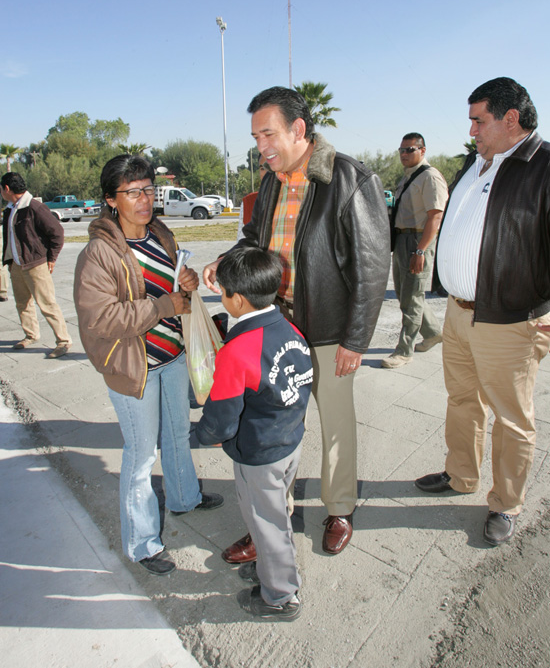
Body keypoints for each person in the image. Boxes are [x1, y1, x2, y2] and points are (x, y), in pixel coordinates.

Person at [204, 86, 390, 557]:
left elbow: (371, 268)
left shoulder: (349, 179)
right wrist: (227, 261)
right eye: (255, 135)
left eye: (268, 134)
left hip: (328, 330)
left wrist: (356, 339)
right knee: (271, 429)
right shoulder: (270, 181)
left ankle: (340, 508)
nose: (260, 145)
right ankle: (272, 518)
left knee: (335, 425)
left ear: (298, 130)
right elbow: (252, 237)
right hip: (274, 325)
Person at [415, 77, 550, 546]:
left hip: (510, 318)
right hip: (458, 311)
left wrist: (544, 315)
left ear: (510, 119)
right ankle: (460, 475)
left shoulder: (544, 166)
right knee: (462, 399)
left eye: (479, 120)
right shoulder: (475, 165)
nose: (471, 129)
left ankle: (506, 502)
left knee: (513, 417)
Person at [74, 155, 223, 576]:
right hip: (133, 370)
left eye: (148, 190)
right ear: (111, 200)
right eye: (133, 192)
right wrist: (162, 306)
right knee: (141, 455)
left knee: (177, 434)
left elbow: (172, 282)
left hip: (173, 357)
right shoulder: (98, 255)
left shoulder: (160, 234)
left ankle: (184, 498)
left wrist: (187, 281)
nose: (145, 199)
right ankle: (142, 544)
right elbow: (100, 320)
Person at [196, 247, 313, 621]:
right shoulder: (291, 329)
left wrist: (198, 435)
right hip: (288, 440)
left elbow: (221, 421)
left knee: (267, 521)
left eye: (223, 290)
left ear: (239, 299)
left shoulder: (237, 350)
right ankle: (271, 570)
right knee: (274, 514)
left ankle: (280, 596)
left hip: (259, 453)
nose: (220, 295)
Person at [382, 133, 448, 368]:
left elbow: (435, 217)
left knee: (412, 298)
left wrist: (420, 251)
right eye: (401, 150)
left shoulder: (430, 177)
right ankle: (432, 333)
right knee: (407, 295)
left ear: (423, 150)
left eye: (409, 149)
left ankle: (404, 350)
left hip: (418, 240)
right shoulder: (408, 178)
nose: (404, 154)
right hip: (403, 239)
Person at [1, 172, 71, 357]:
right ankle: (31, 335)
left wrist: (52, 258)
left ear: (7, 188)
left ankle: (63, 341)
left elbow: (57, 233)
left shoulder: (34, 207)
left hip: (35, 265)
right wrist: (8, 260)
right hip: (17, 265)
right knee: (22, 303)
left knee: (47, 303)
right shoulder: (9, 209)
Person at [236, 156, 267, 240]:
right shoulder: (248, 202)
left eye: (271, 167)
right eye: (262, 168)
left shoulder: (294, 199)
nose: (266, 172)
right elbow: (241, 239)